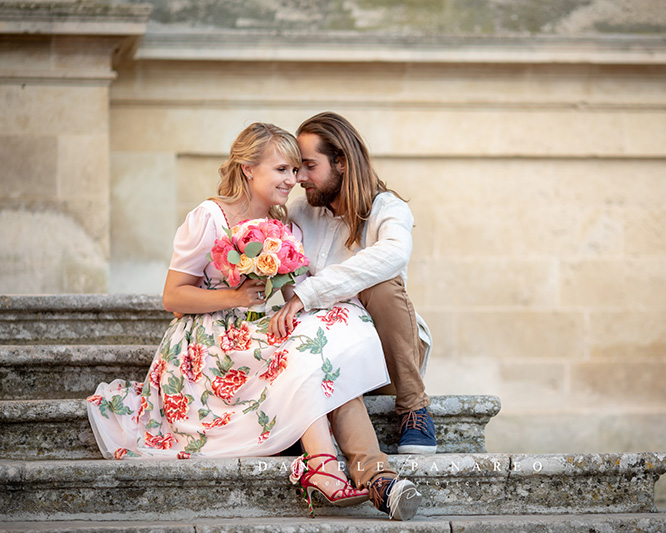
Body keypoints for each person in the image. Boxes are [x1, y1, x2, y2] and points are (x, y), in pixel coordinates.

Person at [86, 122, 422, 521]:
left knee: (319, 357)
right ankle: (332, 466)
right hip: (204, 343)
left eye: (297, 170)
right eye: (283, 170)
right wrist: (233, 297)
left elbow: (294, 290)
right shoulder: (210, 217)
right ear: (248, 168)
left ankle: (355, 473)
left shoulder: (288, 223)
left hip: (251, 333)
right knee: (312, 360)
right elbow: (172, 297)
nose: (294, 180)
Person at [269, 112, 437, 464]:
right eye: (295, 168)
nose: (299, 178)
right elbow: (292, 287)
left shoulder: (387, 209)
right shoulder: (299, 212)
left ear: (342, 163)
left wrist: (311, 294)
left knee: (383, 284)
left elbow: (392, 254)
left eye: (308, 166)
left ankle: (414, 408)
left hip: (388, 354)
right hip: (331, 349)